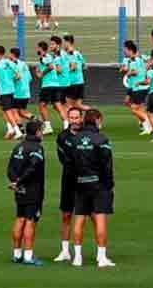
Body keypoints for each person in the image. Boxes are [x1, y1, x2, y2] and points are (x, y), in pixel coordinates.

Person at [69, 108, 115, 268]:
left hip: (80, 183)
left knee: (79, 219)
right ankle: (101, 258)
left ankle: (77, 257)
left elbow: (70, 164)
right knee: (100, 219)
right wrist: (109, 185)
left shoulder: (74, 140)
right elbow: (107, 165)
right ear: (97, 120)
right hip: (99, 184)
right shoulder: (102, 139)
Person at [8, 120, 47, 266]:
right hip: (32, 190)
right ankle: (28, 256)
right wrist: (20, 182)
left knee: (20, 218)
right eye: (41, 130)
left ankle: (17, 254)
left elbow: (10, 168)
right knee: (30, 221)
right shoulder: (37, 148)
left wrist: (14, 182)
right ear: (37, 132)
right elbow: (33, 168)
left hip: (19, 190)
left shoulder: (18, 146)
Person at [53, 106, 84, 263]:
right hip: (69, 180)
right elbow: (62, 159)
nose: (74, 121)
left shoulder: (88, 135)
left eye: (76, 117)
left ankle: (85, 252)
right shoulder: (62, 137)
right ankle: (65, 251)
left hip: (86, 181)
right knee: (66, 215)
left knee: (87, 216)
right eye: (71, 118)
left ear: (81, 118)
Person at [0, 45, 21, 139]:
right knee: (2, 109)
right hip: (12, 90)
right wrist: (10, 79)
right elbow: (18, 75)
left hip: (4, 91)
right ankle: (10, 129)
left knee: (8, 111)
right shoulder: (8, 62)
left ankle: (17, 131)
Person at [120, 41, 151, 135]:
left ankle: (147, 122)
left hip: (139, 87)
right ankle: (146, 125)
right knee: (132, 104)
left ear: (130, 50)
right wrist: (126, 70)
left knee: (134, 109)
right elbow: (122, 69)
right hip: (134, 86)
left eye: (125, 49)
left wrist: (129, 72)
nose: (123, 51)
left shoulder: (136, 59)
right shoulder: (129, 60)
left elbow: (134, 72)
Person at [35, 41, 65, 135]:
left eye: (38, 48)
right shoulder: (50, 57)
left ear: (41, 48)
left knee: (42, 105)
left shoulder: (44, 57)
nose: (37, 50)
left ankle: (48, 127)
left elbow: (51, 67)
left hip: (48, 85)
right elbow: (57, 68)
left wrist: (42, 73)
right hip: (56, 84)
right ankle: (66, 124)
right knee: (58, 105)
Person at [8, 47, 35, 128]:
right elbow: (30, 78)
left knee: (14, 111)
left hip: (17, 92)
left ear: (12, 54)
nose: (8, 55)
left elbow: (17, 77)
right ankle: (37, 121)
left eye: (9, 53)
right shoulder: (24, 64)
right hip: (26, 92)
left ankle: (21, 130)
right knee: (22, 112)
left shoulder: (12, 64)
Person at [62, 35, 87, 110]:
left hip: (72, 83)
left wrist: (64, 72)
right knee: (78, 105)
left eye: (64, 42)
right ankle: (94, 113)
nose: (63, 44)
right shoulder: (78, 53)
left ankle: (68, 121)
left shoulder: (69, 53)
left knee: (67, 105)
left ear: (68, 42)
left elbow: (73, 67)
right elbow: (84, 66)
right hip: (80, 82)